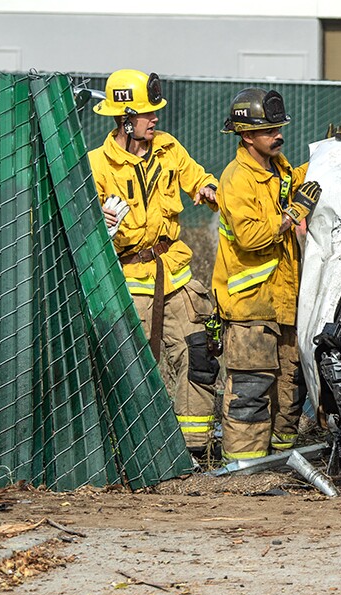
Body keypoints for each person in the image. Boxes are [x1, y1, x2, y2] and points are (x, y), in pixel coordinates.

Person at [87, 68, 220, 455]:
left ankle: (192, 450)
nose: (155, 118)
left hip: (175, 276)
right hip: (128, 282)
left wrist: (206, 187)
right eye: (147, 113)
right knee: (126, 370)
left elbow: (196, 176)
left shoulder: (167, 148)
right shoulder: (98, 164)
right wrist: (100, 217)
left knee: (199, 354)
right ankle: (127, 450)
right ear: (125, 119)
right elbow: (84, 218)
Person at [213, 88, 321, 462]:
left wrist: (331, 154)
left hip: (284, 303)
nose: (278, 134)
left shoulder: (277, 167)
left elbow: (295, 184)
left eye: (279, 127)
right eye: (269, 130)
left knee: (290, 391)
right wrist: (292, 214)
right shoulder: (236, 179)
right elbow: (251, 235)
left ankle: (280, 466)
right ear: (246, 136)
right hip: (250, 309)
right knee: (251, 392)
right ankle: (244, 471)